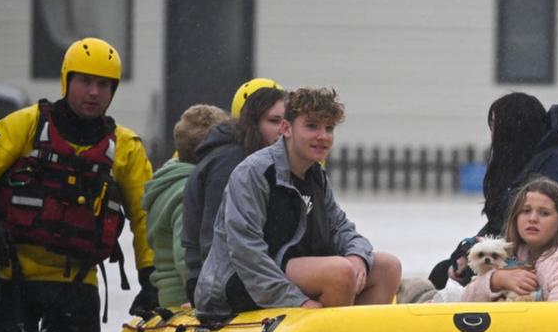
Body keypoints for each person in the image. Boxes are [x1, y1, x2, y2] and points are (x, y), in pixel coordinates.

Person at [0, 37, 156, 332]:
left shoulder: (127, 148)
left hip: (77, 286)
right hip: (11, 278)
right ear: (67, 81)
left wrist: (152, 280)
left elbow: (146, 217)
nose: (94, 92)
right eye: (85, 82)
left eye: (104, 85)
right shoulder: (26, 125)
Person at [194, 87, 402, 318]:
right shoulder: (254, 172)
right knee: (339, 272)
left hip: (285, 268)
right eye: (312, 126)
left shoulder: (315, 176)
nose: (322, 136)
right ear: (286, 128)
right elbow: (246, 252)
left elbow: (341, 227)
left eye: (329, 128)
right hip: (239, 281)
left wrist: (358, 256)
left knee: (387, 268)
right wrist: (298, 301)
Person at [429, 92, 558, 290]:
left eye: (495, 126)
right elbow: (500, 226)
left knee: (466, 278)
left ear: (511, 130)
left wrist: (488, 269)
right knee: (444, 273)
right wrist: (467, 253)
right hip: (534, 255)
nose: (492, 135)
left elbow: (547, 232)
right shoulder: (528, 162)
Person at [181, 79, 285, 306]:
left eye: (285, 122)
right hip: (216, 279)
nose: (282, 130)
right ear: (252, 123)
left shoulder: (268, 164)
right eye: (274, 121)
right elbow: (214, 240)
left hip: (245, 271)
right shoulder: (231, 164)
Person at [461, 176, 558, 302]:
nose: (532, 219)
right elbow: (465, 302)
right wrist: (496, 280)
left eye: (544, 213)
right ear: (515, 218)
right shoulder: (511, 254)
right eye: (525, 211)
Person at [143, 104, 229, 309]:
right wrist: (204, 296)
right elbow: (186, 256)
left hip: (167, 293)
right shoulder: (187, 192)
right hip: (182, 297)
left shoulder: (170, 179)